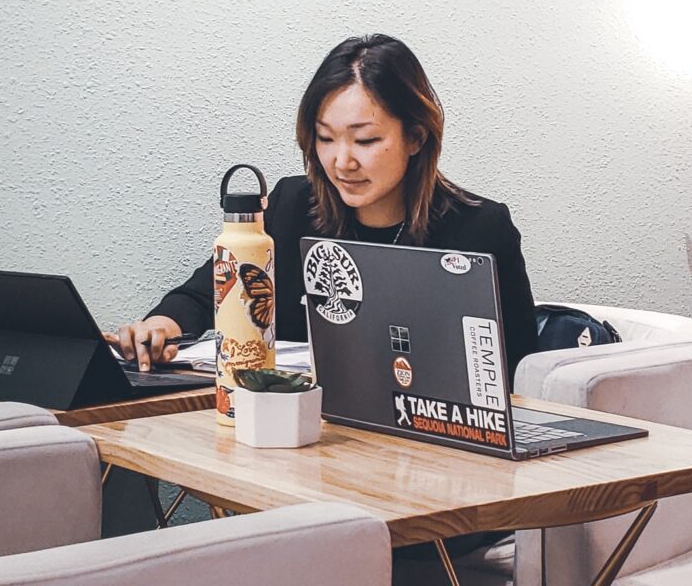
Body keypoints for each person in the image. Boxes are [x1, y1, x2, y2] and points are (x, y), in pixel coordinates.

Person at [109, 34, 537, 380]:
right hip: (299, 437)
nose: (342, 161)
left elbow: (520, 373)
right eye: (325, 138)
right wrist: (162, 325)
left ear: (416, 137)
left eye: (365, 140)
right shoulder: (291, 206)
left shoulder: (481, 229)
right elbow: (207, 295)